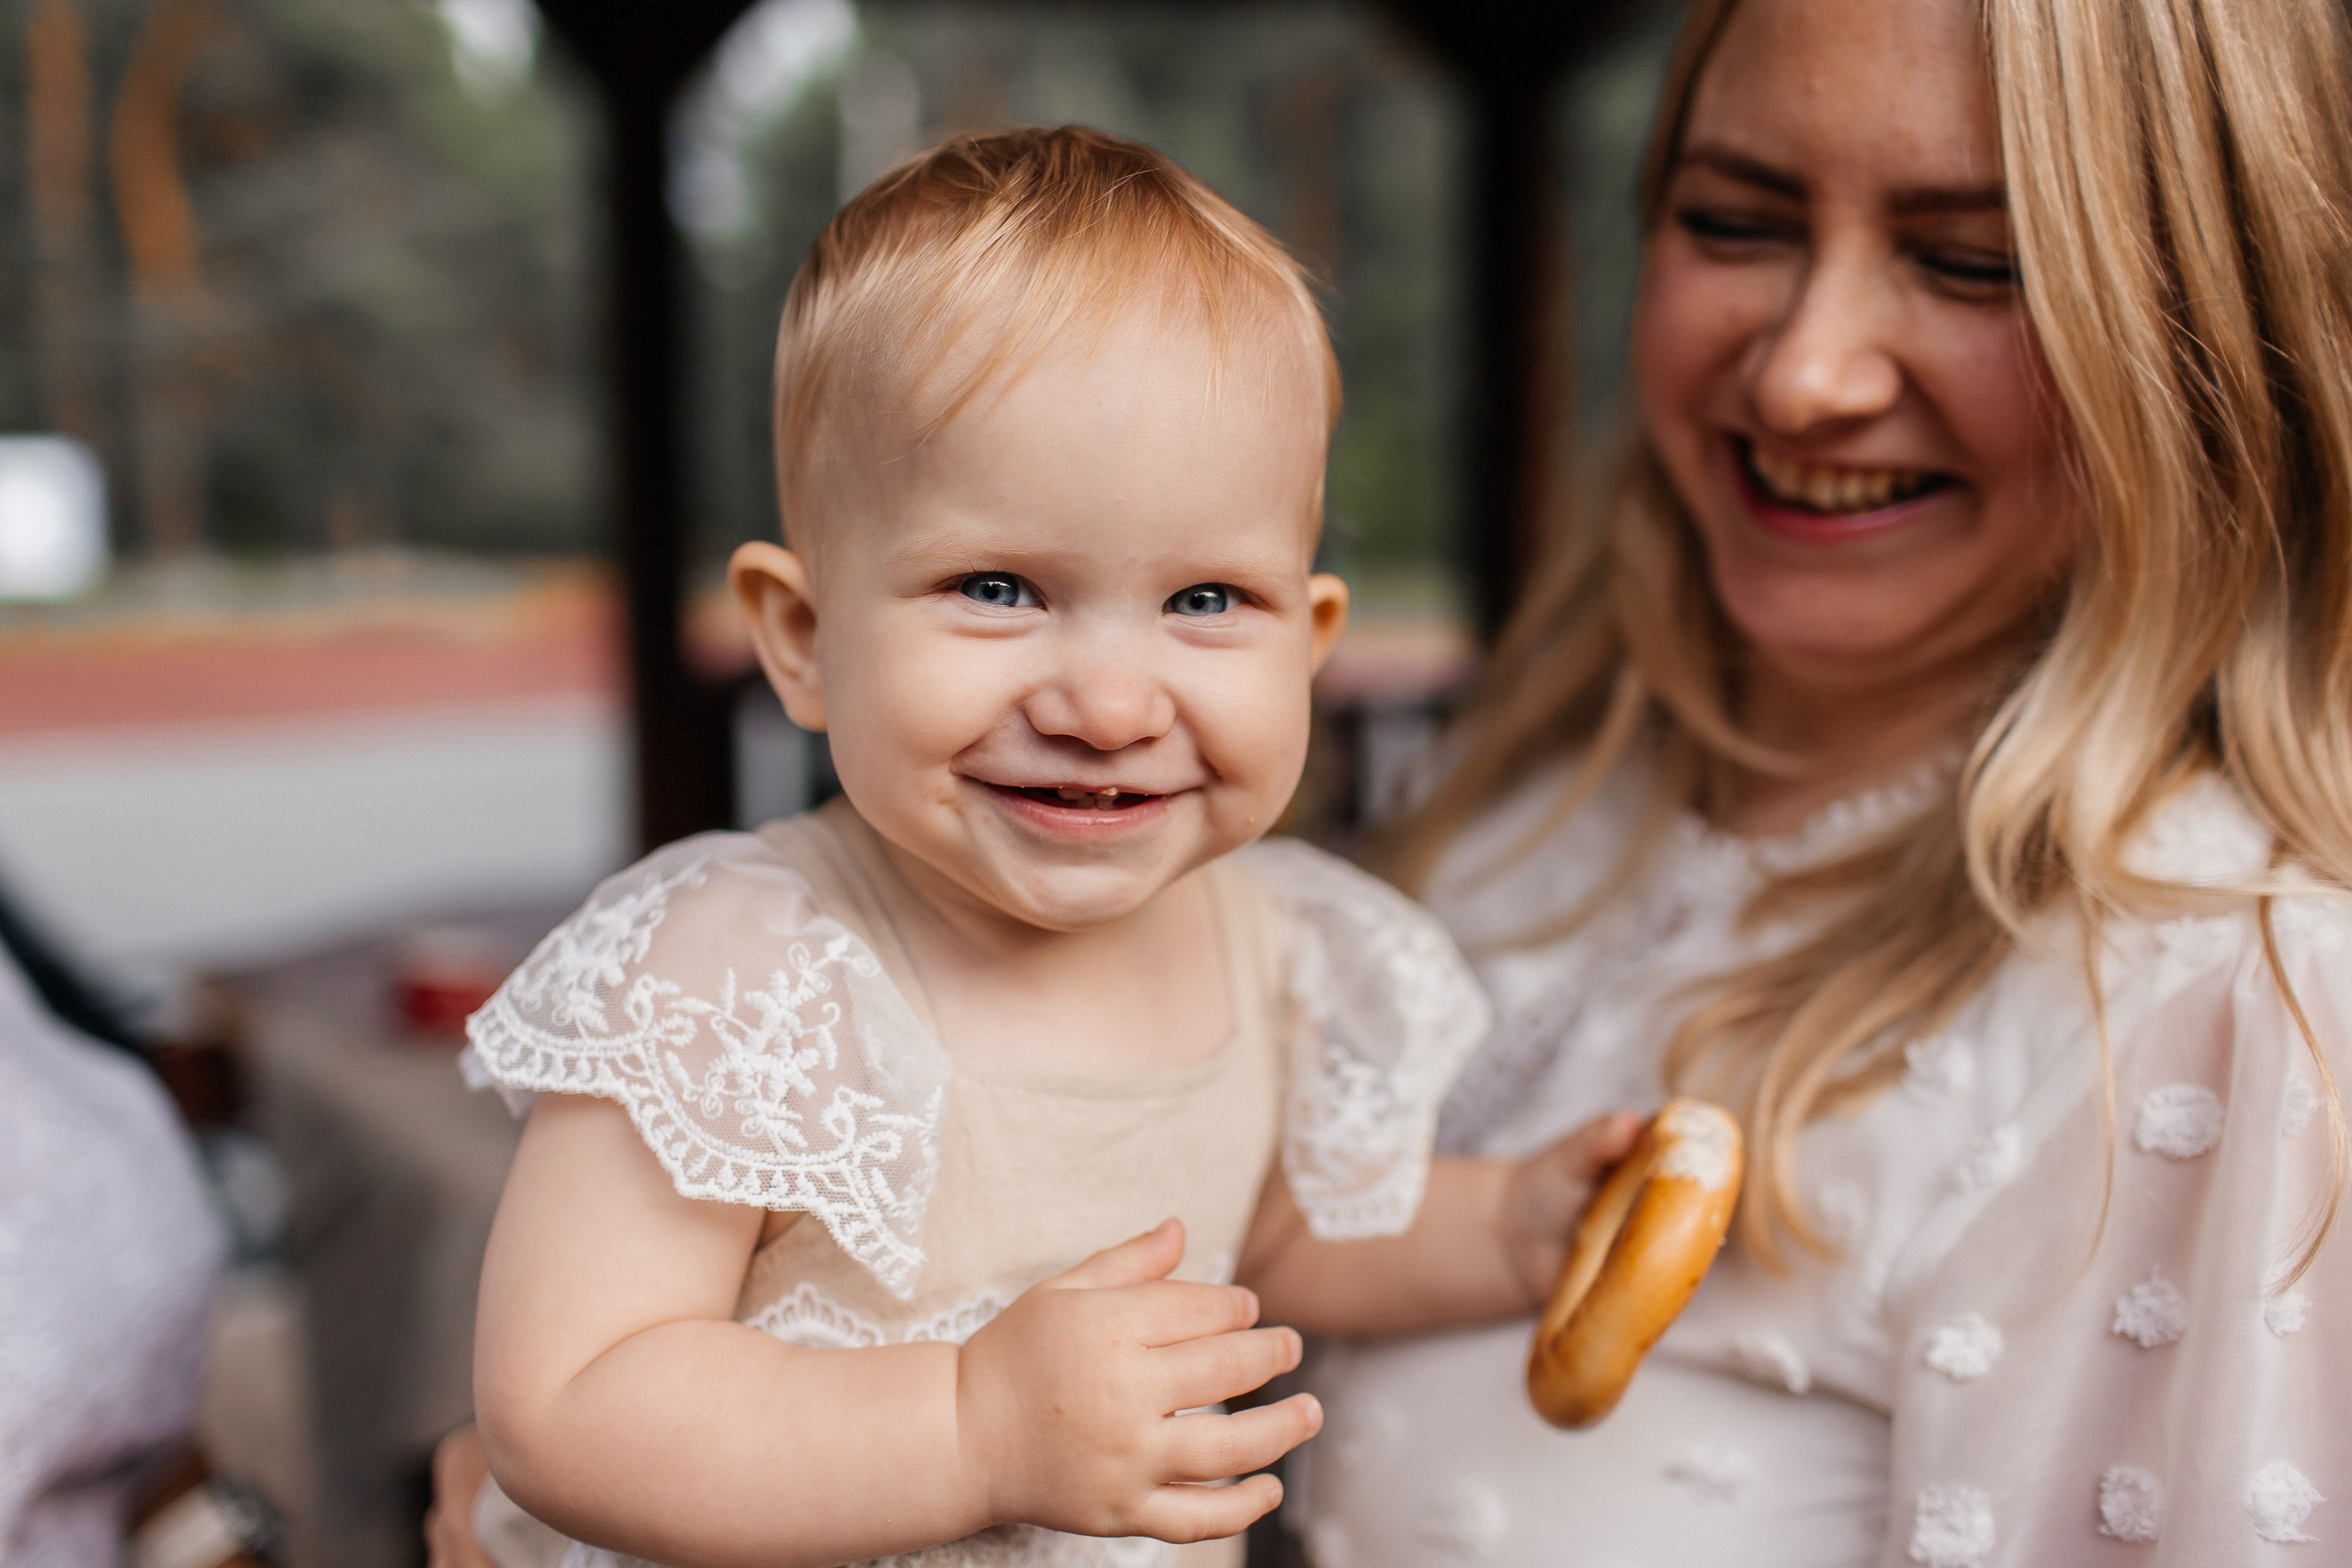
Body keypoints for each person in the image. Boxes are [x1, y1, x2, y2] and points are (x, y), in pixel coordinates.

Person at [458, 127, 1640, 1568]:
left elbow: (1271, 1239)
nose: (1109, 705)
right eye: (1000, 587)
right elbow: (569, 1397)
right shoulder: (744, 971)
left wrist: (1513, 1230)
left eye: (1206, 601)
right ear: (806, 638)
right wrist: (969, 1426)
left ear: (1312, 644)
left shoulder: (1276, 950)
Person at [1291, 0, 2352, 1563]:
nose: (1804, 378)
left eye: (1974, 261)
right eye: (1735, 221)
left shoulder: (2230, 1003)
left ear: (2202, 323)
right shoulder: (1537, 801)